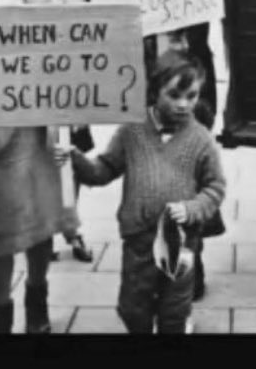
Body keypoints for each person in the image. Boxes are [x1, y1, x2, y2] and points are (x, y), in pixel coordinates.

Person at [65, 52, 226, 334]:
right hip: (139, 241)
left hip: (182, 242)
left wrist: (192, 208)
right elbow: (103, 170)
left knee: (174, 312)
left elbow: (215, 188)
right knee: (133, 309)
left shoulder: (201, 139)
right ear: (154, 91)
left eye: (191, 96)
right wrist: (75, 160)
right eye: (174, 95)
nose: (183, 104)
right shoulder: (131, 132)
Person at [112, 0, 220, 306]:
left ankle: (192, 264)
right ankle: (150, 272)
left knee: (190, 188)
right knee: (149, 191)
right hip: (141, 104)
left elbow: (205, 29)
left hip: (187, 100)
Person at [0, 0, 69, 333]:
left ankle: (38, 300)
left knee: (40, 219)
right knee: (0, 228)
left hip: (34, 124)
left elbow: (65, 40)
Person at [0, 0, 95, 263]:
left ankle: (73, 226)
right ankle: (43, 231)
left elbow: (89, 13)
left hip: (67, 74)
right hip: (25, 78)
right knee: (32, 157)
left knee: (68, 154)